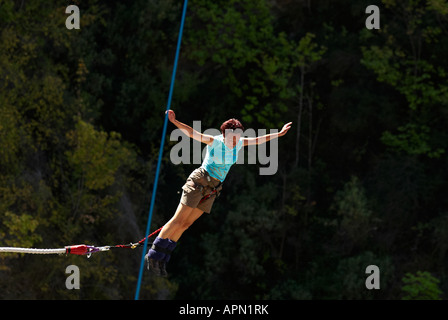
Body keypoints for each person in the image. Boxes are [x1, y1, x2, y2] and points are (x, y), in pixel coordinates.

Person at [145, 110, 292, 276]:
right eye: (234, 135)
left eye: (239, 134)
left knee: (186, 224)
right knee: (178, 220)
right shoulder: (215, 141)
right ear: (225, 133)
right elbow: (192, 133)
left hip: (213, 188)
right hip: (199, 181)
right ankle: (153, 254)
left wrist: (278, 134)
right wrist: (175, 122)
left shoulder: (239, 143)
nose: (236, 138)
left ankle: (163, 257)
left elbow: (258, 140)